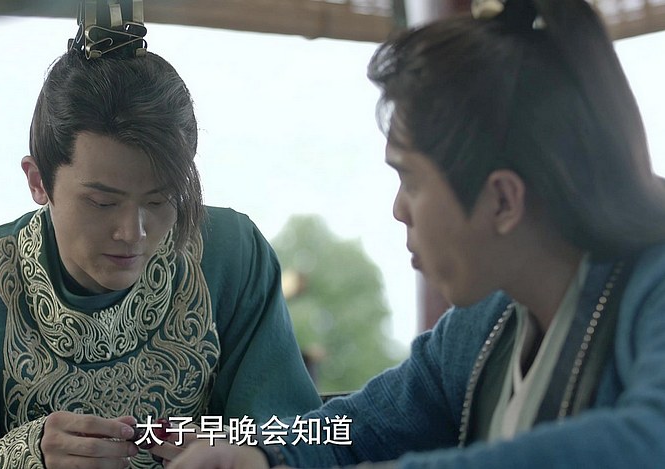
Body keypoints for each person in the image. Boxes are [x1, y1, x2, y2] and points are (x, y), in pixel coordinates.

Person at [155, 0, 665, 467]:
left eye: (411, 181)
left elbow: (650, 439)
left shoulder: (652, 286)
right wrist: (262, 454)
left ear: (503, 201)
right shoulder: (481, 327)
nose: (399, 210)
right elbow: (353, 430)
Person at [0, 2, 321, 468]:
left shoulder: (232, 254)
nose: (133, 232)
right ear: (38, 181)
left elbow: (309, 437)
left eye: (160, 200)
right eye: (102, 202)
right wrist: (24, 457)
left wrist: (237, 449)